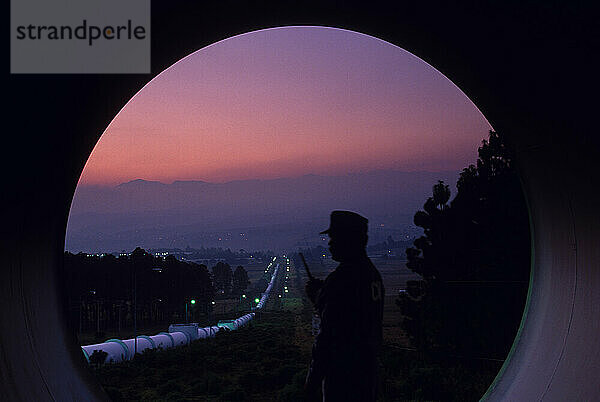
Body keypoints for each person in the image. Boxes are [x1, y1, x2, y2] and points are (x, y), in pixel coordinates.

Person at [304, 211, 385, 402]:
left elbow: (329, 335)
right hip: (368, 374)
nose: (330, 243)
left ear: (349, 240)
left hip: (343, 378)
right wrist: (321, 296)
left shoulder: (341, 279)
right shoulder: (372, 274)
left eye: (334, 238)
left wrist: (312, 382)